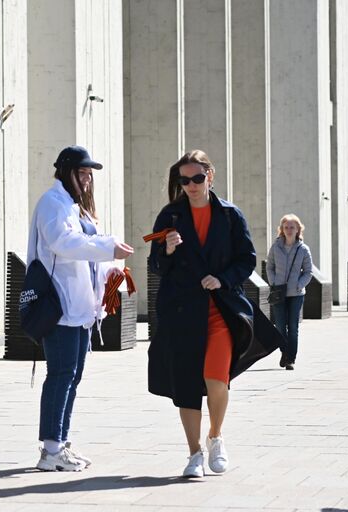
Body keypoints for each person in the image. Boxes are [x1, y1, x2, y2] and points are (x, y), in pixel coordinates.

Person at [148, 149, 276, 479]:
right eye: (184, 180)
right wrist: (169, 249)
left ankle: (216, 436)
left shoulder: (230, 215)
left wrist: (222, 279)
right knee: (187, 383)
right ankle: (194, 454)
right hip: (181, 311)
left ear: (210, 176)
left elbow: (247, 259)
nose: (191, 185)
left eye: (197, 178)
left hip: (220, 308)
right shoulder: (170, 216)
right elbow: (155, 266)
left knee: (217, 379)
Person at [29, 145, 134, 471]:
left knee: (72, 377)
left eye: (90, 175)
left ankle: (60, 442)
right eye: (83, 173)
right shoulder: (53, 204)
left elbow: (88, 257)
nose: (88, 180)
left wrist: (110, 270)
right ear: (67, 172)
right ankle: (50, 449)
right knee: (60, 375)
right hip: (60, 305)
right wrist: (107, 247)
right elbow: (64, 244)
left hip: (80, 308)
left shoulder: (76, 208)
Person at [266, 214, 313, 370]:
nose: (289, 230)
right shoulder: (275, 247)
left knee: (293, 326)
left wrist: (299, 284)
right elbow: (269, 267)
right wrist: (273, 281)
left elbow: (308, 272)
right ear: (281, 230)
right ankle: (284, 352)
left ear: (298, 229)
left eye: (292, 227)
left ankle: (290, 359)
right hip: (278, 291)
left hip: (296, 294)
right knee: (280, 326)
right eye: (286, 227)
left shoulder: (303, 249)